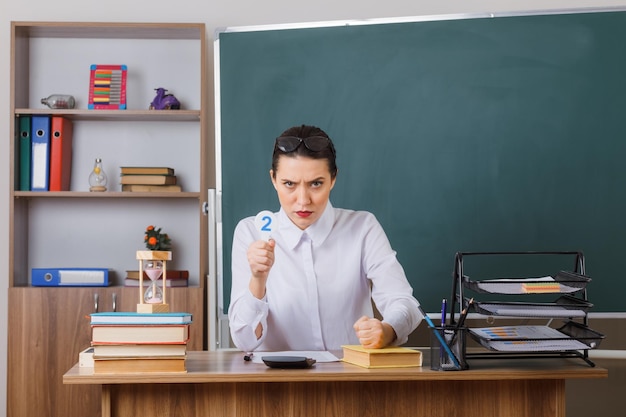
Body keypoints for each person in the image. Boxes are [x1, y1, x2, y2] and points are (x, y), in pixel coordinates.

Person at [228, 124, 423, 352]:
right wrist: (257, 280)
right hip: (277, 382)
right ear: (274, 179)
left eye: (316, 184)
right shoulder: (250, 232)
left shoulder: (362, 227)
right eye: (289, 184)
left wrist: (388, 330)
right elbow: (244, 342)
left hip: (348, 377)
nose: (303, 200)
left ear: (333, 179)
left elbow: (404, 302)